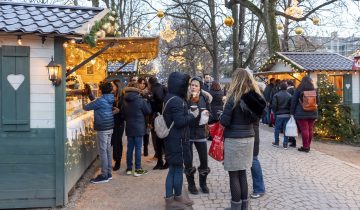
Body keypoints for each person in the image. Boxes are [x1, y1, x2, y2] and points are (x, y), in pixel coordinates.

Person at [220, 68, 266, 210]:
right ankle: (244, 206)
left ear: (236, 80)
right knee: (243, 173)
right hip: (249, 138)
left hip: (234, 139)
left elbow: (224, 122)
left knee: (234, 175)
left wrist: (221, 114)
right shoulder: (254, 97)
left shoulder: (233, 97)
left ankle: (235, 207)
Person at [163, 72, 196, 210]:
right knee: (175, 170)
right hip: (176, 140)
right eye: (187, 85)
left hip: (174, 139)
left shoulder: (171, 97)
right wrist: (192, 115)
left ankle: (177, 196)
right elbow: (180, 121)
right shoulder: (176, 100)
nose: (188, 88)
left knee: (175, 169)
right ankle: (171, 200)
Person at [83, 81, 115, 183]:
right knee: (107, 150)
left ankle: (104, 175)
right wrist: (90, 93)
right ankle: (108, 173)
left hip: (103, 127)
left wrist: (83, 98)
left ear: (101, 90)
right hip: (110, 126)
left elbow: (86, 107)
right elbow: (95, 102)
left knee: (103, 151)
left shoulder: (101, 100)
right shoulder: (109, 98)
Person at [185, 76, 212, 195]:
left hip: (201, 131)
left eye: (196, 85)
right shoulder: (185, 98)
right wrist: (189, 113)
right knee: (188, 160)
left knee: (204, 160)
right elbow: (182, 113)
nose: (194, 87)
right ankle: (191, 185)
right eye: (192, 85)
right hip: (189, 132)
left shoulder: (204, 98)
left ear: (200, 87)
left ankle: (203, 183)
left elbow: (210, 112)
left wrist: (207, 115)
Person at [123, 81, 152, 176]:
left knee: (130, 148)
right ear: (137, 89)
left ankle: (129, 168)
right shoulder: (140, 99)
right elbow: (148, 111)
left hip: (129, 126)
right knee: (138, 148)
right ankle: (138, 169)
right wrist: (148, 103)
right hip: (139, 126)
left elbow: (123, 113)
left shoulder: (124, 99)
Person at [290, 76, 318, 153]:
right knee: (310, 129)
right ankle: (308, 146)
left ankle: (305, 147)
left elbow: (294, 101)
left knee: (304, 129)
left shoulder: (299, 89)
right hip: (313, 112)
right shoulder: (314, 90)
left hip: (301, 112)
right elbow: (318, 101)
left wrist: (292, 112)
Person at [148, 76, 168, 169]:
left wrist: (151, 101)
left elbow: (156, 104)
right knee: (163, 140)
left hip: (158, 117)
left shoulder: (153, 90)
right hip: (164, 116)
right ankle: (165, 161)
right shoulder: (163, 87)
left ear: (150, 83)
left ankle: (161, 162)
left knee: (159, 140)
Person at [110, 79, 125, 171]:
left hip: (119, 123)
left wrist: (119, 111)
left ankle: (118, 161)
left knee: (117, 142)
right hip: (112, 122)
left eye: (113, 86)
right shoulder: (112, 96)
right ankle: (115, 158)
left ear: (117, 87)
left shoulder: (122, 97)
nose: (112, 87)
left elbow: (124, 111)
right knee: (114, 141)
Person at [271, 82, 292, 149]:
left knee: (277, 128)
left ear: (280, 87)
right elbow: (291, 106)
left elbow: (274, 106)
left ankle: (276, 142)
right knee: (286, 129)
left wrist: (275, 112)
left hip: (279, 114)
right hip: (287, 114)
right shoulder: (290, 95)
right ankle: (285, 144)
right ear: (286, 88)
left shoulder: (276, 95)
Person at [250, 119, 266, 199]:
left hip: (251, 133)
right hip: (250, 133)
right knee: (253, 160)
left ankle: (259, 189)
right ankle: (239, 188)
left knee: (253, 160)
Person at [138, 77, 151, 156]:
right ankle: (139, 149)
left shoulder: (148, 93)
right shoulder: (136, 92)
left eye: (144, 83)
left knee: (146, 133)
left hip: (146, 116)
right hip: (139, 115)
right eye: (141, 83)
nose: (142, 85)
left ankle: (145, 148)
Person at [287, 80, 296, 147]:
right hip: (294, 110)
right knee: (292, 125)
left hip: (289, 110)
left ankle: (292, 140)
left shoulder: (289, 91)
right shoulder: (295, 89)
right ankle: (291, 139)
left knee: (290, 125)